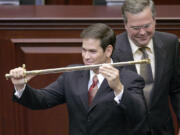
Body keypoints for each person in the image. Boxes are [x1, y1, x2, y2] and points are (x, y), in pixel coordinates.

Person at [9, 23, 147, 135]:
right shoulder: (72, 74)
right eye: (83, 50)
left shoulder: (130, 79)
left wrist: (118, 88)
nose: (86, 57)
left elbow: (139, 116)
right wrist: (21, 87)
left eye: (92, 51)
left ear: (108, 51)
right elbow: (43, 100)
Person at [112, 0, 180, 135]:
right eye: (136, 28)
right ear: (125, 25)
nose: (142, 32)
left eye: (147, 26)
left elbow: (177, 89)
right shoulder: (112, 49)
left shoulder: (170, 43)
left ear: (155, 20)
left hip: (162, 129)